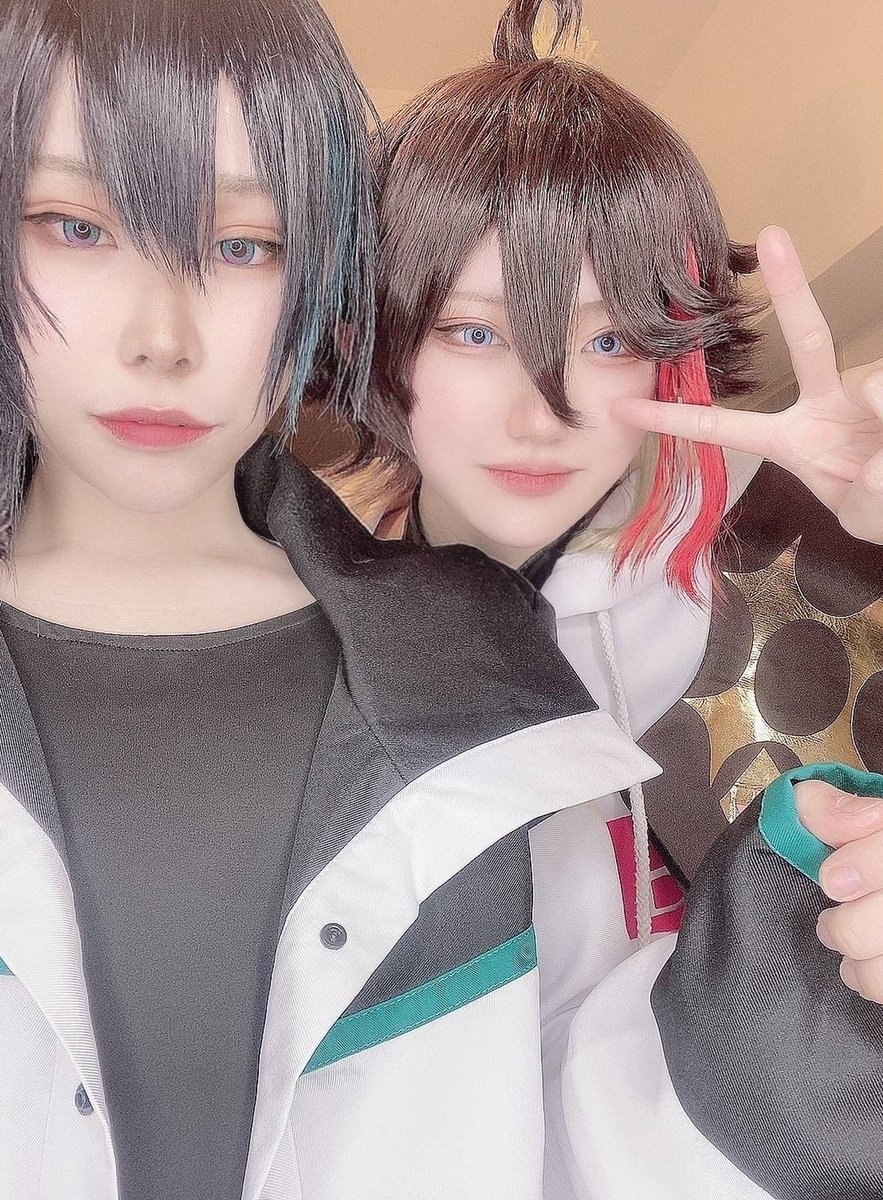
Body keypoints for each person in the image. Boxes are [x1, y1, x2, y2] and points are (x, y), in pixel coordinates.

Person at [0, 2, 659, 1197]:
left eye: (245, 245)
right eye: (76, 226)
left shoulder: (483, 677)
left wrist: (819, 997)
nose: (162, 336)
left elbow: (600, 1123)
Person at [329, 1, 883, 1194]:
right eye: (472, 332)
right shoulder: (282, 630)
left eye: (610, 341)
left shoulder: (699, 528)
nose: (545, 412)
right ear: (379, 338)